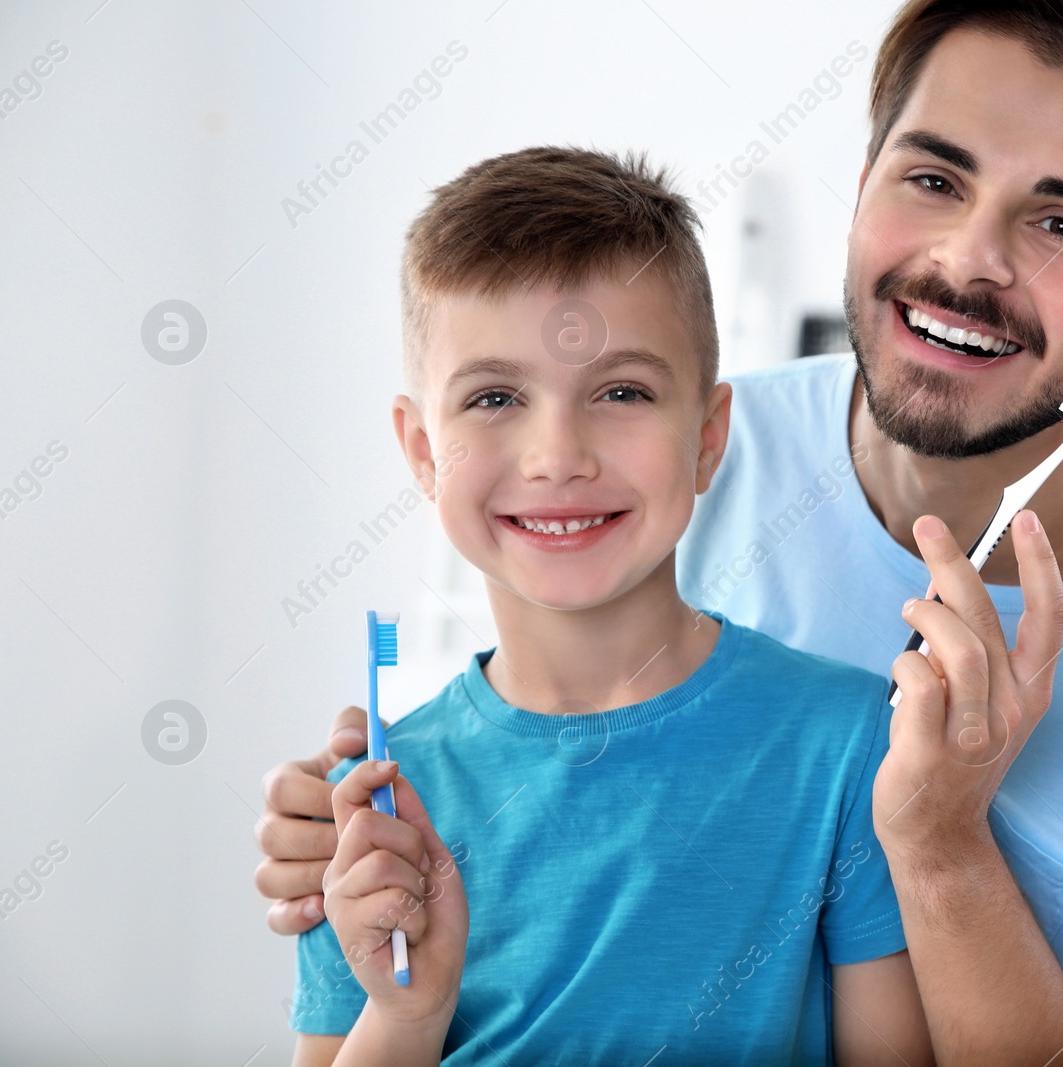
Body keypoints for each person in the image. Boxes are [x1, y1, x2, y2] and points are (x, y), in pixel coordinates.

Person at [259, 2, 1063, 1063]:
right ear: (865, 182)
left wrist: (940, 848)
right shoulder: (663, 454)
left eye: (1061, 221)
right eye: (932, 178)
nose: (970, 259)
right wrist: (348, 833)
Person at [287, 145, 941, 1065]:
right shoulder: (375, 816)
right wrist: (405, 1015)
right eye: (495, 396)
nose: (558, 454)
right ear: (424, 451)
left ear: (708, 438)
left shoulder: (846, 745)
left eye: (622, 391)